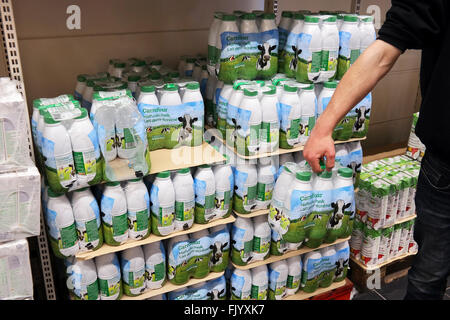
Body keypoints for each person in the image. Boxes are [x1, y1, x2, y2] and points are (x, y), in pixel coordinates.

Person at [303, 0, 450, 300]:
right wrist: (323, 127)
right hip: (446, 164)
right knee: (428, 276)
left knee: (428, 277)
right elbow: (387, 48)